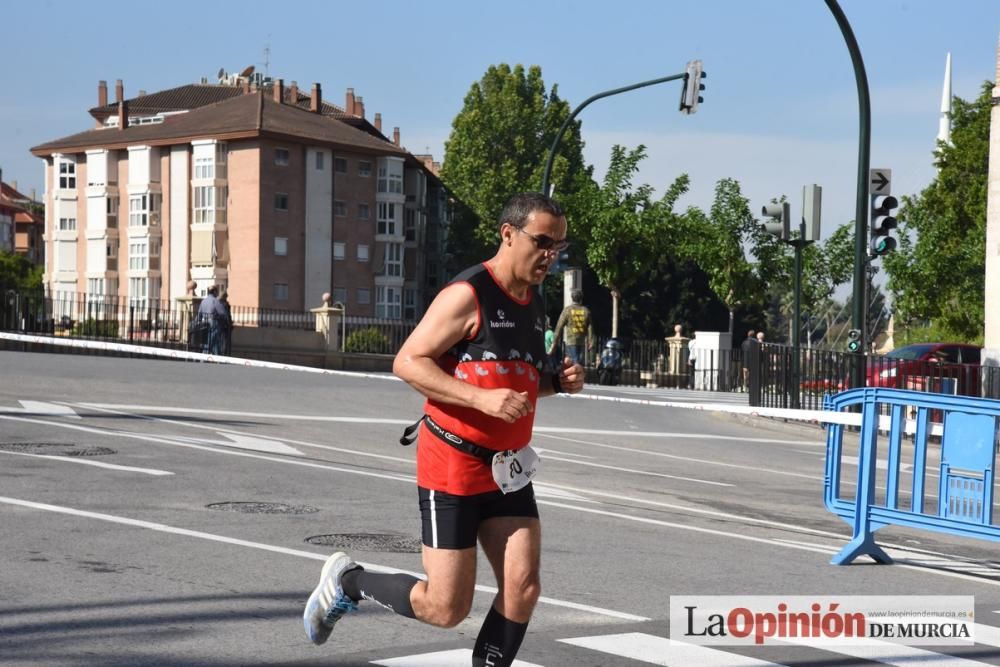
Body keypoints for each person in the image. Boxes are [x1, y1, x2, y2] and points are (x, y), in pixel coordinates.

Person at [302, 192, 586, 667]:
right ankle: (347, 581)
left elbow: (513, 383)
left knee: (523, 589)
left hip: (507, 472)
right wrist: (481, 399)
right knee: (446, 607)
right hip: (453, 464)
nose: (551, 255)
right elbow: (408, 362)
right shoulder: (469, 293)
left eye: (559, 245)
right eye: (542, 241)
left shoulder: (534, 302)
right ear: (508, 234)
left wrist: (557, 382)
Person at [549, 289, 593, 366]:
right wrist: (590, 341)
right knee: (578, 363)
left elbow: (559, 327)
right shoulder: (586, 311)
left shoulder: (567, 310)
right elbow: (590, 327)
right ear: (581, 298)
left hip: (571, 342)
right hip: (581, 342)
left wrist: (554, 342)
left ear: (572, 298)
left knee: (573, 364)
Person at [197, 285, 228, 355]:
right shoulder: (215, 301)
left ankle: (212, 355)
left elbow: (199, 314)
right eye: (216, 291)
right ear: (214, 292)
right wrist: (226, 321)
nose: (217, 293)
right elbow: (223, 313)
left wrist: (199, 322)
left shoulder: (203, 301)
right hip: (214, 322)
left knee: (209, 340)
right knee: (213, 340)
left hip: (205, 322)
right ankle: (212, 355)